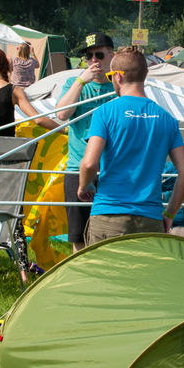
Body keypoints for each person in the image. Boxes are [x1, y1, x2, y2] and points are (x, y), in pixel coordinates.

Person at [78, 48, 184, 245]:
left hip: (108, 215)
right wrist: (170, 213)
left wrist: (83, 186)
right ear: (145, 75)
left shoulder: (104, 113)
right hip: (150, 218)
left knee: (104, 276)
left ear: (118, 76)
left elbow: (89, 164)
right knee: (144, 276)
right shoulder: (167, 119)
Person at [55, 32, 117, 252]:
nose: (93, 61)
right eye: (88, 56)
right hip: (78, 169)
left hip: (112, 170)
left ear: (112, 56)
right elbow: (61, 115)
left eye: (99, 55)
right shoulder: (75, 83)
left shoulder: (119, 86)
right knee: (79, 236)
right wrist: (81, 81)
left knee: (111, 234)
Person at [0, 48, 58, 139]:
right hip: (7, 148)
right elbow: (38, 119)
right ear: (5, 64)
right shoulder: (14, 90)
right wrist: (65, 130)